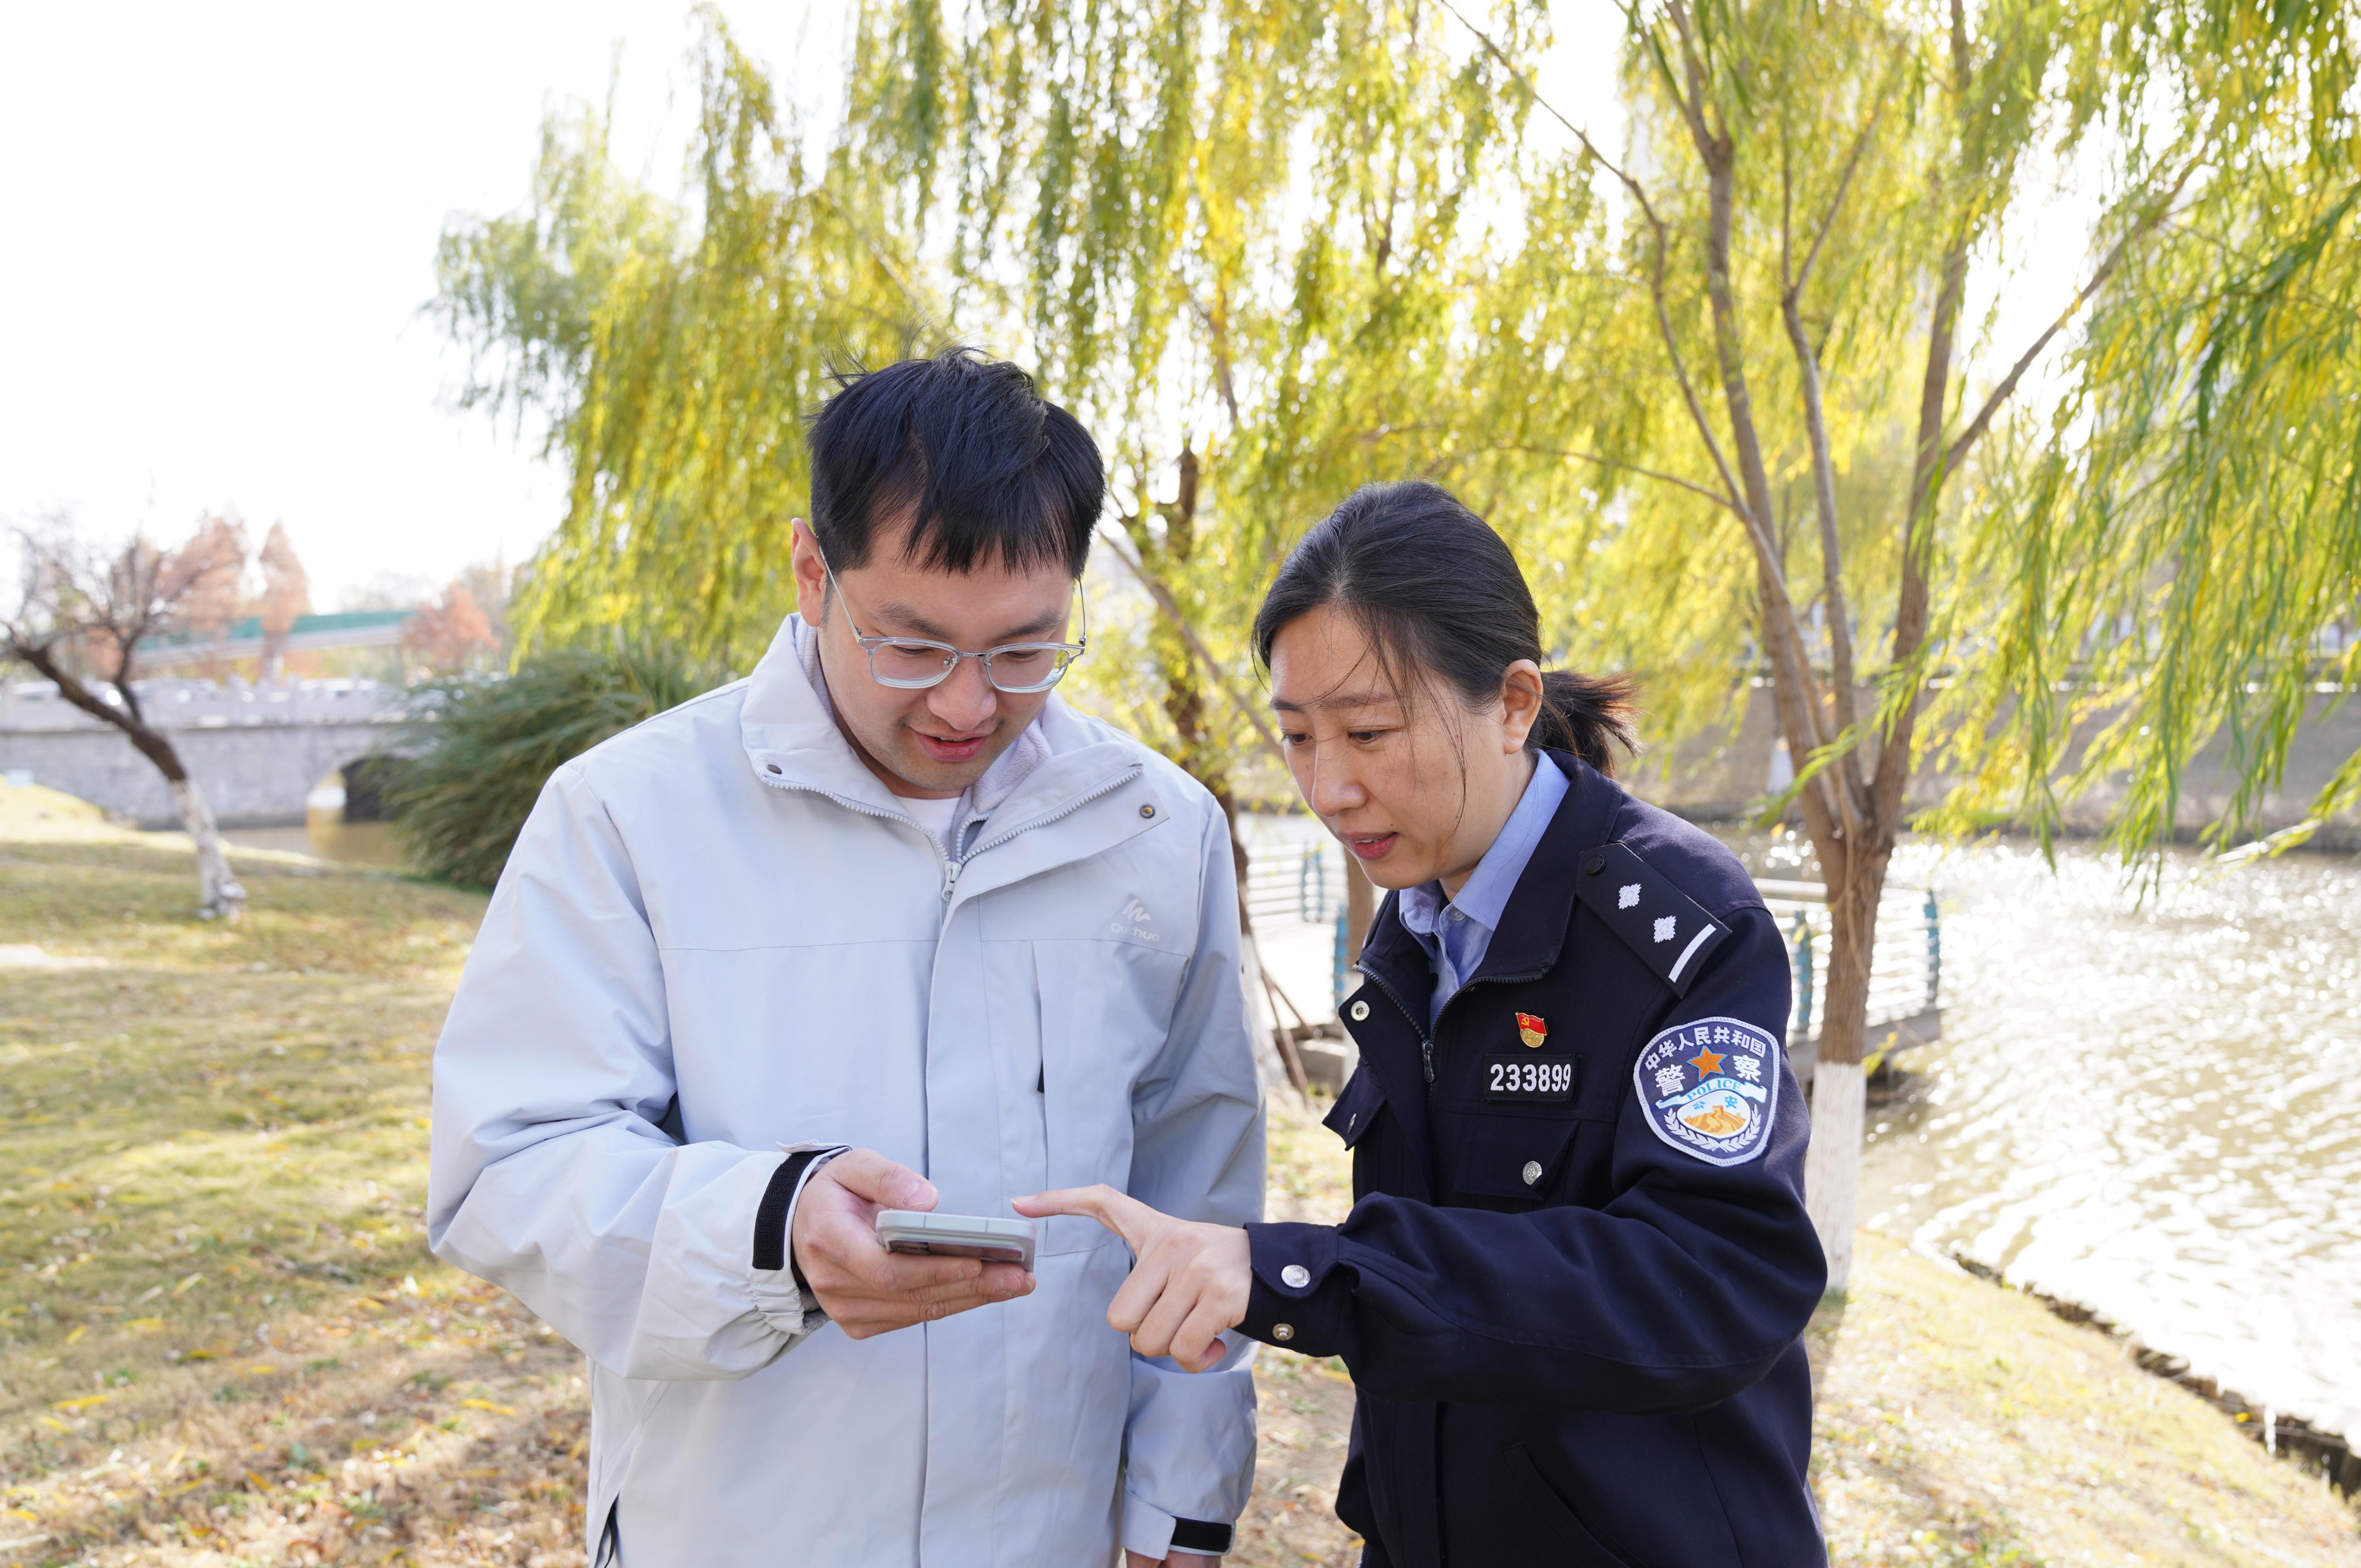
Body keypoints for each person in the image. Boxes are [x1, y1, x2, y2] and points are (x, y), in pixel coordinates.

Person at [428, 350, 1264, 1567]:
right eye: (912, 647)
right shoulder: (629, 814)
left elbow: (1200, 1189)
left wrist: (1180, 1509)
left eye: (1024, 651)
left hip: (1052, 1534)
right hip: (732, 1528)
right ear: (811, 574)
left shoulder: (1158, 827)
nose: (967, 706)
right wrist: (771, 1233)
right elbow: (506, 1165)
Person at [1021, 480, 1828, 1565]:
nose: (1330, 787)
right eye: (1300, 737)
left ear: (1512, 701)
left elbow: (1718, 1277)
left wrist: (1308, 1273)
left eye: (1368, 731)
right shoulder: (1418, 927)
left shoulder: (1679, 923)